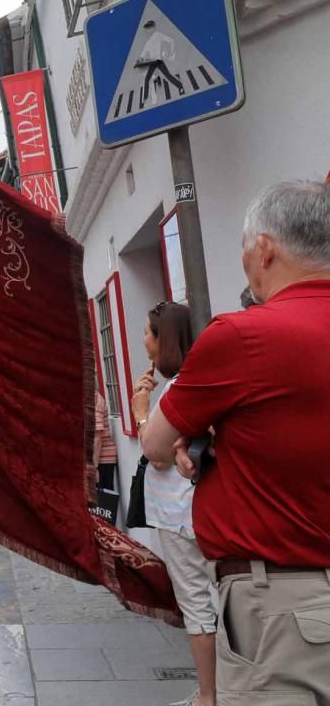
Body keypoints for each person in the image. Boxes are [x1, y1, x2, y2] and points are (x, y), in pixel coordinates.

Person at [142, 180, 330, 703]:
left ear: (265, 248)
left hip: (284, 603)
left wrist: (196, 437)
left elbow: (157, 444)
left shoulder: (245, 336)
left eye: (246, 247)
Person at [130, 301, 214, 706]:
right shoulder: (185, 381)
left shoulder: (178, 387)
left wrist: (142, 412)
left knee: (196, 602)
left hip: (181, 512)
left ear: (162, 339)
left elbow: (157, 451)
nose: (143, 340)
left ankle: (209, 696)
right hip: (192, 509)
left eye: (147, 332)